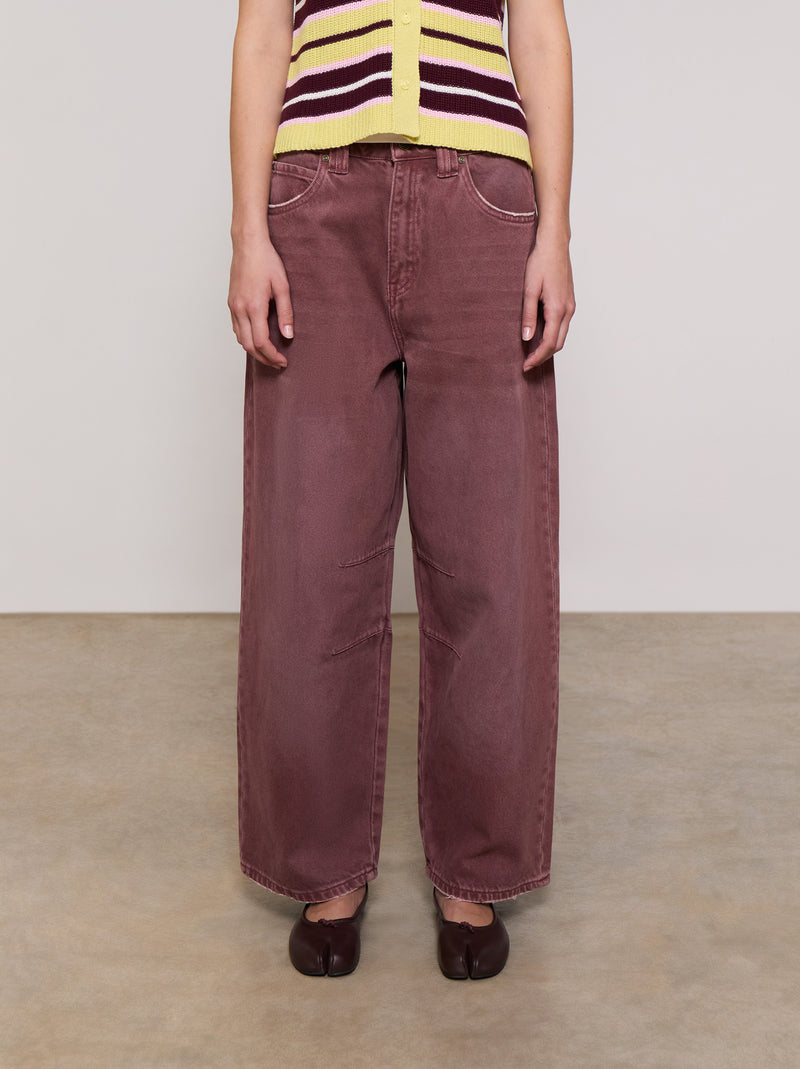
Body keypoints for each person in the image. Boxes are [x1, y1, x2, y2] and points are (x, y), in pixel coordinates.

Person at [228, 0, 575, 979]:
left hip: (485, 204)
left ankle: (474, 870)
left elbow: (538, 31)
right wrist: (248, 233)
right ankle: (323, 869)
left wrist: (554, 232)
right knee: (310, 559)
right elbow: (263, 32)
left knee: (490, 557)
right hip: (314, 202)